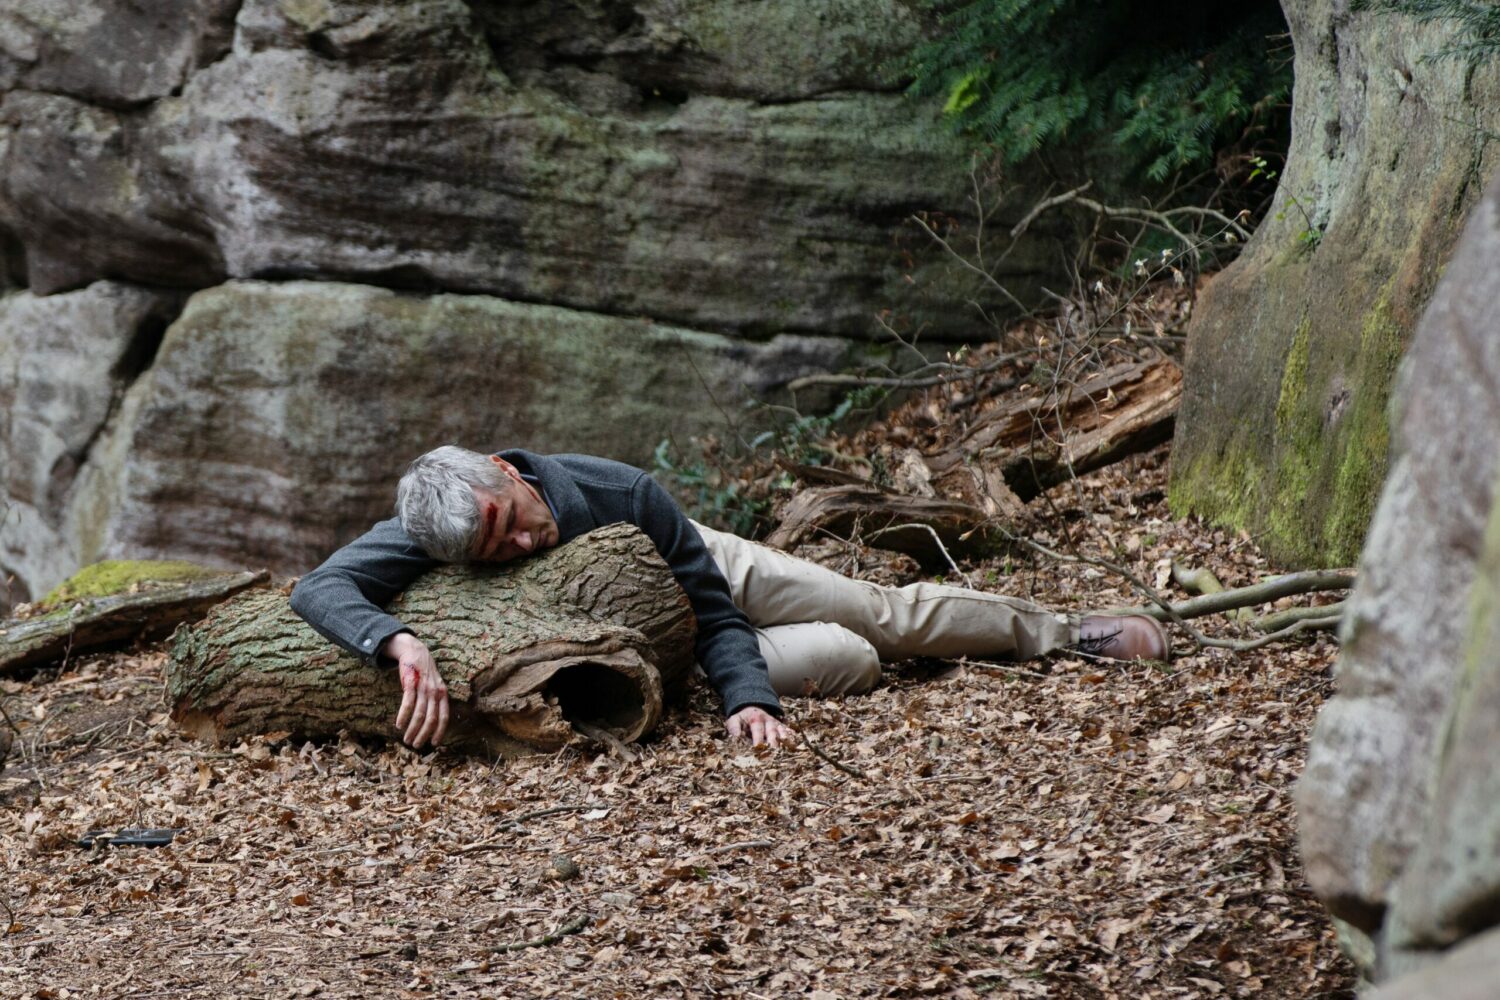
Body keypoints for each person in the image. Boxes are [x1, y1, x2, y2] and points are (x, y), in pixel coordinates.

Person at [290, 446, 1167, 750]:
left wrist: (746, 691)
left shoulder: (620, 490)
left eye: (509, 520)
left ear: (508, 475)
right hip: (661, 654)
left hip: (706, 574)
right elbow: (322, 586)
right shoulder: (432, 521)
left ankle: (1060, 633)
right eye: (496, 553)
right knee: (846, 657)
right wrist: (397, 643)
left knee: (877, 616)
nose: (520, 544)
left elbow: (713, 605)